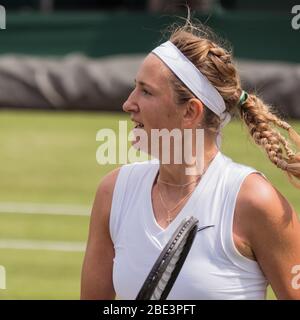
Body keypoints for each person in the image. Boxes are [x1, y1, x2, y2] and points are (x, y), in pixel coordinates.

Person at [80, 19, 300, 300]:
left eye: (146, 91)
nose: (128, 104)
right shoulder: (113, 192)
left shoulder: (254, 202)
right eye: (135, 87)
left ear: (190, 112)